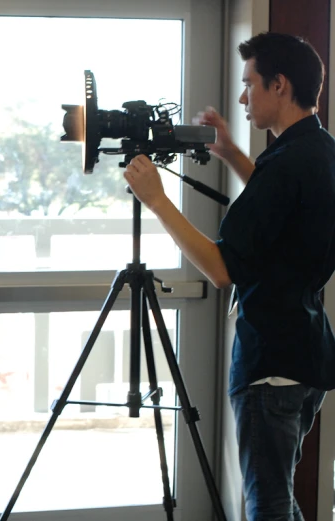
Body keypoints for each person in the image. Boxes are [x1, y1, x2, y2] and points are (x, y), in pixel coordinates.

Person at [123, 32, 335, 520]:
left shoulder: (285, 164)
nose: (242, 97)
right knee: (277, 496)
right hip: (305, 353)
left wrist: (157, 202)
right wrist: (229, 153)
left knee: (268, 505)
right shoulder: (316, 150)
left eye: (250, 84)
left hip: (271, 363)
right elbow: (276, 209)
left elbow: (220, 270)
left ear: (279, 85)